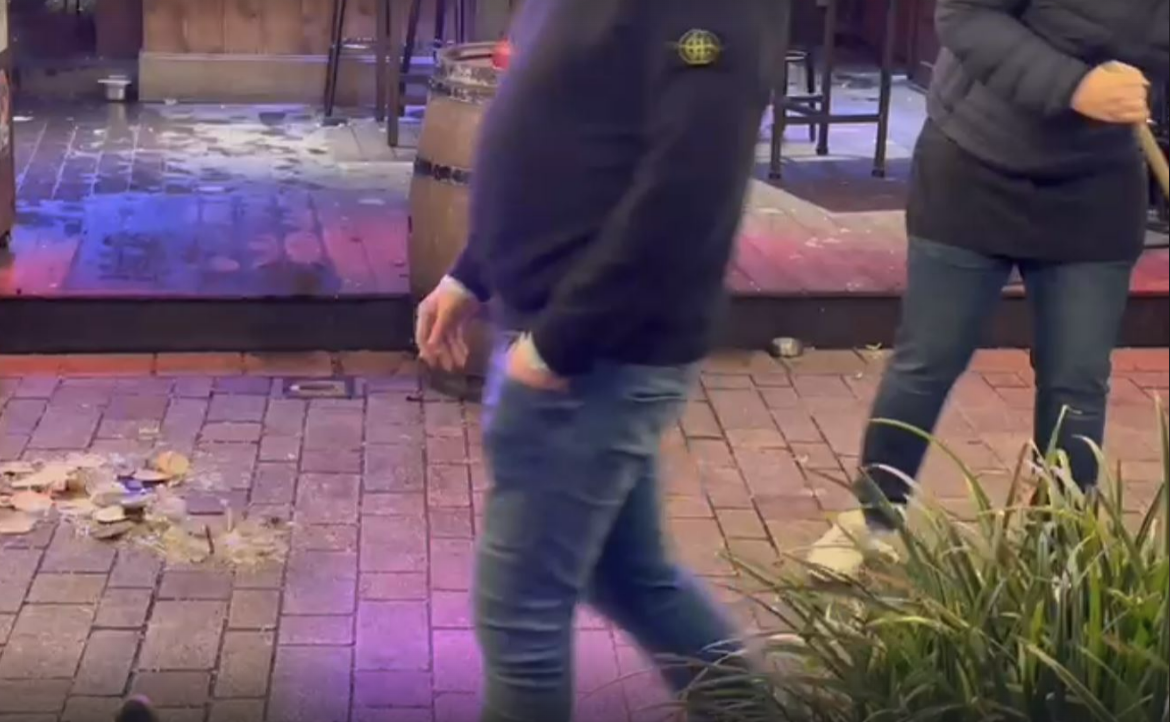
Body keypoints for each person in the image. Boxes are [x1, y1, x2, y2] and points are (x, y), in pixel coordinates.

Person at [414, 1, 789, 720]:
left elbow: (689, 194)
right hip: (573, 341)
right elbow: (561, 121)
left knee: (519, 610)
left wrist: (561, 342)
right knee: (630, 578)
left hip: (597, 353)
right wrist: (473, 271)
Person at [808, 0, 1170, 575]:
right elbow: (965, 16)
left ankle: (1059, 551)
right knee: (929, 359)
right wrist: (1075, 86)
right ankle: (872, 519)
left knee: (1077, 382)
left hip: (1096, 188)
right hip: (975, 165)